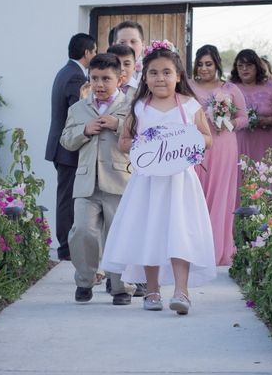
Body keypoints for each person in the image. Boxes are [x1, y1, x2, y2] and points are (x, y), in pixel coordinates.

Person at [101, 41, 216, 315]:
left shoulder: (189, 107)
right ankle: (152, 290)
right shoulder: (140, 108)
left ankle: (181, 291)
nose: (160, 78)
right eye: (153, 72)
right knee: (150, 231)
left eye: (166, 72)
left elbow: (208, 139)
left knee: (180, 232)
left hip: (180, 182)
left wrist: (188, 140)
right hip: (148, 182)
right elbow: (125, 142)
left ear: (178, 76)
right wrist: (146, 144)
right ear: (146, 77)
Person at [59, 53, 136, 305]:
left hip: (119, 179)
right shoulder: (78, 108)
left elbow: (139, 136)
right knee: (82, 231)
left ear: (120, 78)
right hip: (86, 182)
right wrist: (83, 130)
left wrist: (117, 124)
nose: (100, 84)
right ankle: (85, 280)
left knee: (119, 232)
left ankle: (121, 286)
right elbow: (66, 140)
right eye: (95, 78)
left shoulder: (131, 106)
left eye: (106, 78)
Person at [189, 45, 247, 266]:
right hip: (197, 144)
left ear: (216, 65)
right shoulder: (188, 87)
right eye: (200, 64)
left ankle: (216, 250)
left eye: (208, 64)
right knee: (195, 195)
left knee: (220, 196)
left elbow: (244, 117)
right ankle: (193, 250)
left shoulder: (230, 88)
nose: (204, 68)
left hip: (223, 144)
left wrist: (228, 122)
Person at [45, 33, 97, 261]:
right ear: (87, 53)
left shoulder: (64, 71)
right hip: (67, 149)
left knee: (65, 196)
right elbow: (79, 112)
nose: (94, 56)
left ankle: (66, 246)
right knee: (67, 199)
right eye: (94, 52)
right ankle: (66, 249)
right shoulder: (76, 77)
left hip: (60, 147)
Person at [231, 49, 272, 188]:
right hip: (239, 143)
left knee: (265, 183)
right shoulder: (230, 88)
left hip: (266, 144)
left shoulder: (271, 87)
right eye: (240, 66)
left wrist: (266, 121)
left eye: (249, 65)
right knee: (240, 183)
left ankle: (265, 209)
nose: (244, 69)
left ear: (257, 66)